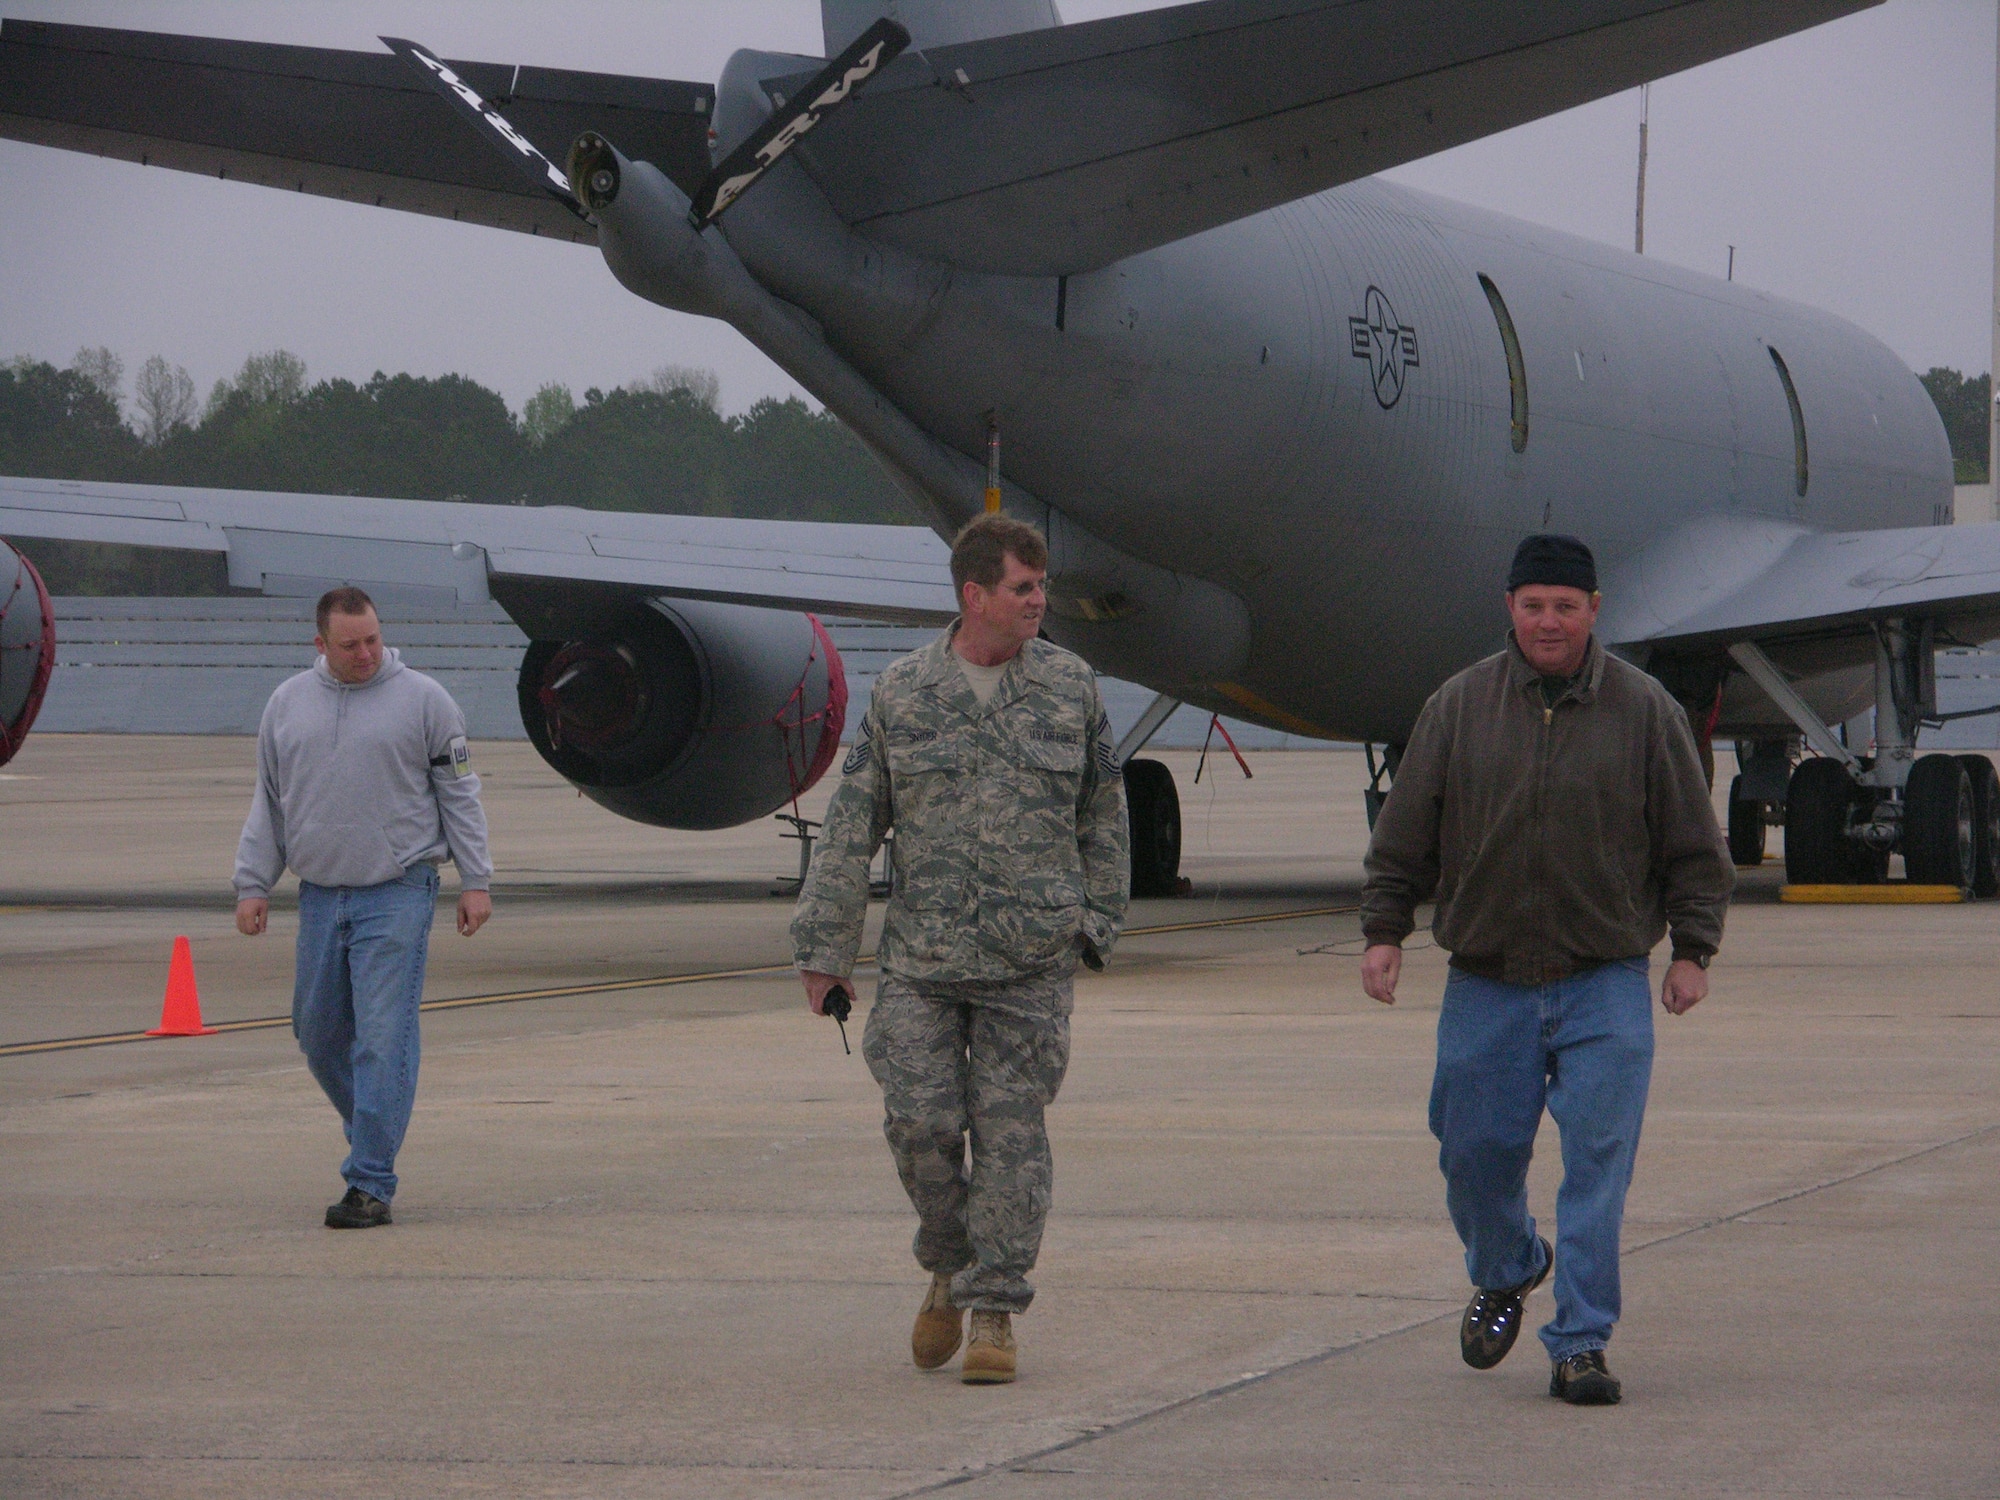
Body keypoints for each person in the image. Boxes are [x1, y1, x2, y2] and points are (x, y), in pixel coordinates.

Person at [1358, 534, 1732, 1405]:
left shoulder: (1645, 712)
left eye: (1567, 606)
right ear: (1510, 609)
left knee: (1599, 1165)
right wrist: (1384, 930)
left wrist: (1693, 950)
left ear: (1594, 611)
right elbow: (1404, 836)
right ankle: (1509, 1265)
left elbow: (1692, 843)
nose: (1550, 621)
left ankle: (1582, 1343)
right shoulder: (1457, 707)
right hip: (1487, 979)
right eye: (1534, 605)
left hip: (1604, 979)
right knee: (1472, 1155)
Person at [791, 514, 1129, 1384]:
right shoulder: (904, 693)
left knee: (1012, 1137)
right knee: (920, 1122)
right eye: (1024, 587)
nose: (1039, 601)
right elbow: (853, 820)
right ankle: (948, 1261)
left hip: (1030, 959)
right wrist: (825, 947)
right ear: (974, 596)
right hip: (924, 961)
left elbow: (1103, 812)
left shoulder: (1070, 688)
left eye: (1042, 585)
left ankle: (992, 1313)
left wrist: (1097, 921)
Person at [234, 587, 493, 1229]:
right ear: (320, 644)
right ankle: (376, 1126)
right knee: (318, 1035)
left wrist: (476, 878)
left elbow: (460, 794)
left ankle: (370, 1179)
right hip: (321, 895)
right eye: (350, 645)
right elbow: (270, 799)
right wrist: (253, 883)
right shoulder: (287, 704)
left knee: (382, 1037)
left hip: (398, 889)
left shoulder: (425, 701)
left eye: (373, 639)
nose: (366, 654)